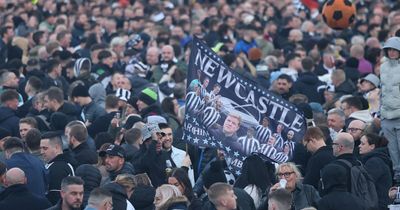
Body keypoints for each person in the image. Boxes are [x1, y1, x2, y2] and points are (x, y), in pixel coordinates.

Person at [380, 36, 400, 182]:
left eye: (395, 50)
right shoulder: (383, 67)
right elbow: (383, 91)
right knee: (392, 151)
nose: (392, 52)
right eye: (389, 50)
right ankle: (397, 180)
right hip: (386, 116)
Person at [359, 133, 392, 209]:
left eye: (363, 144)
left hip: (377, 205)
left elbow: (365, 184)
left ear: (372, 146)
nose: (359, 146)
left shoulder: (374, 162)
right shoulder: (376, 159)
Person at [40, 131, 75, 204]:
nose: (41, 152)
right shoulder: (65, 163)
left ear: (56, 147)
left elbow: (56, 198)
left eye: (45, 148)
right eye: (41, 148)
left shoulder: (58, 168)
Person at [302, 127, 335, 192]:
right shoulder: (335, 153)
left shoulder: (315, 159)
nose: (307, 150)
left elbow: (309, 184)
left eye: (306, 146)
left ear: (312, 140)